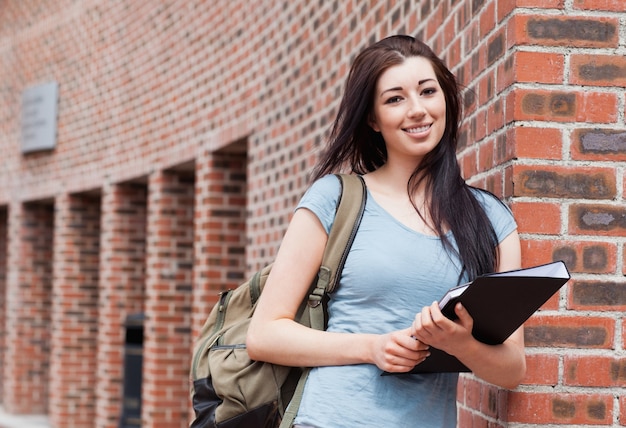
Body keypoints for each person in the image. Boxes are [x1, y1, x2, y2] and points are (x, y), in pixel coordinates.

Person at [246, 35, 526, 428]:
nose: (417, 110)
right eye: (395, 99)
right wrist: (372, 347)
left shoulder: (491, 220)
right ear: (373, 119)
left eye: (427, 92)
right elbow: (264, 335)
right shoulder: (334, 199)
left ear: (445, 99)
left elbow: (512, 370)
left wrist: (460, 344)